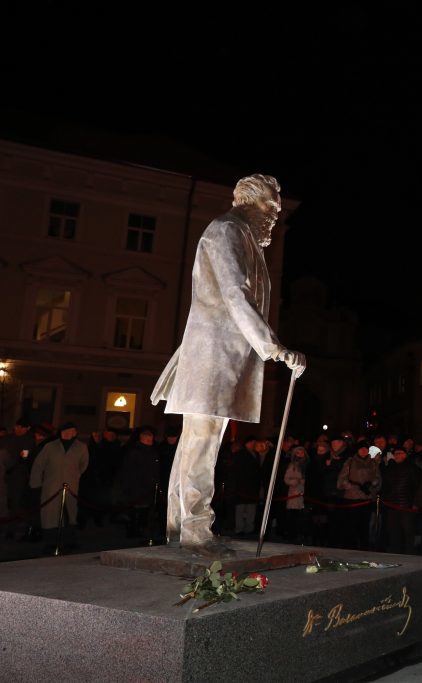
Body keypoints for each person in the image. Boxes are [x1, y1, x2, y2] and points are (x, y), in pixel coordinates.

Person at [150, 174, 306, 558]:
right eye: (271, 207)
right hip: (210, 356)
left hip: (219, 357)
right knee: (200, 442)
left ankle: (181, 526)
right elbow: (236, 294)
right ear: (252, 201)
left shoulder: (243, 236)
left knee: (197, 444)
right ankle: (194, 529)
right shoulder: (226, 231)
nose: (274, 216)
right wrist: (274, 347)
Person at [29, 421, 89, 552]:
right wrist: (36, 483)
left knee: (70, 514)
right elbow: (38, 465)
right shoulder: (50, 447)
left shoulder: (81, 447)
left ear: (75, 433)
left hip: (71, 486)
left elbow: (84, 464)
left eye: (71, 431)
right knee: (50, 515)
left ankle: (69, 540)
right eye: (65, 431)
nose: (68, 434)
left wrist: (75, 475)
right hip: (52, 486)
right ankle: (50, 542)